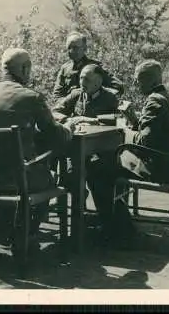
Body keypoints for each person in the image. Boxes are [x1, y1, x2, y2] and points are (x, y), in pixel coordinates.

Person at [0, 47, 73, 249]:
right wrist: (68, 129)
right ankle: (26, 233)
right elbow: (54, 134)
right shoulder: (31, 97)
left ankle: (5, 232)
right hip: (18, 177)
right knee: (49, 179)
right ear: (25, 69)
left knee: (17, 169)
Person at [52, 63, 121, 240]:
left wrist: (91, 120)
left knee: (98, 176)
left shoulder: (109, 97)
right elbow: (55, 111)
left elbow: (116, 119)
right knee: (71, 174)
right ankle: (77, 220)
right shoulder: (76, 94)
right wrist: (69, 119)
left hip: (102, 151)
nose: (82, 81)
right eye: (81, 77)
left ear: (98, 81)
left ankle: (105, 224)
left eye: (87, 79)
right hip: (78, 149)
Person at [118, 59, 169, 187]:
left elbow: (145, 143)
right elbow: (155, 134)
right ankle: (118, 205)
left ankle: (116, 207)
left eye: (138, 80)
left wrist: (126, 132)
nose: (136, 85)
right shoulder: (167, 97)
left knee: (106, 165)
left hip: (159, 170)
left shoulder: (154, 100)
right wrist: (134, 120)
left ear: (150, 81)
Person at [53, 31, 125, 101]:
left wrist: (97, 97)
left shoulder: (95, 66)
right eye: (69, 48)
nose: (71, 51)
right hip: (68, 110)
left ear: (84, 48)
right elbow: (57, 95)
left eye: (75, 47)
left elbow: (118, 86)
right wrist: (67, 104)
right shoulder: (65, 68)